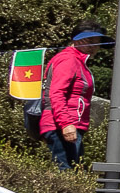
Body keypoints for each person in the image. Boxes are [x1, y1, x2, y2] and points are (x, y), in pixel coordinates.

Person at [38, 27, 103, 169]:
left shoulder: (77, 61)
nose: (94, 47)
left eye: (98, 43)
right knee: (66, 175)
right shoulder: (69, 60)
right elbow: (56, 93)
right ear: (76, 40)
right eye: (89, 41)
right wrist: (66, 124)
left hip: (70, 124)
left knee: (74, 173)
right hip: (62, 125)